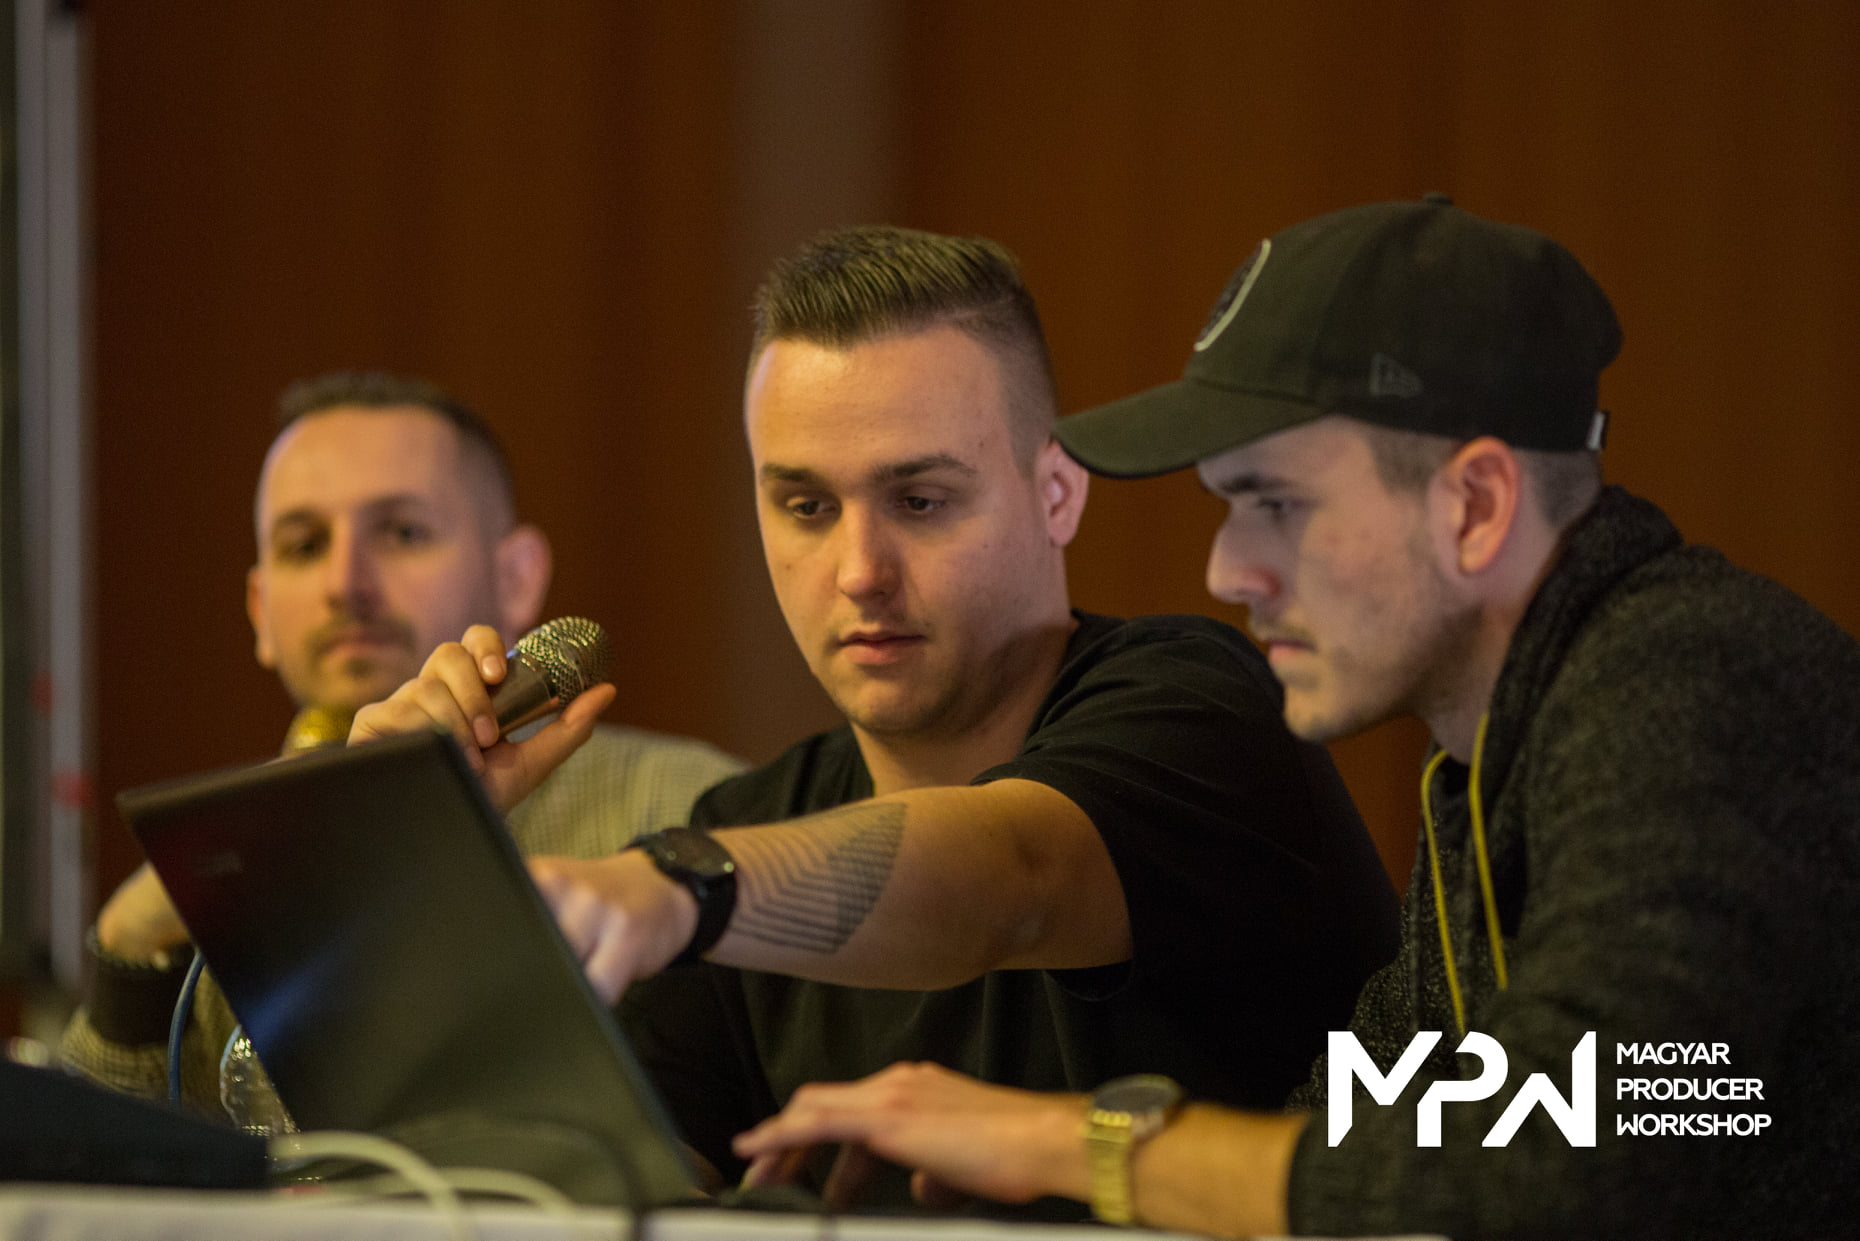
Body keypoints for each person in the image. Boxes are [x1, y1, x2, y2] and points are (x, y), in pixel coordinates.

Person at [726, 199, 1860, 1238]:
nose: (1230, 569)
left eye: (1277, 502)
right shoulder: (1491, 758)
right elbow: (1366, 1129)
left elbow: (1593, 1138)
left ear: (1474, 505)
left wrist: (1065, 1141)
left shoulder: (1694, 687)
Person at [354, 227, 1400, 1206]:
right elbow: (573, 1187)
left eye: (921, 500)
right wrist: (413, 852)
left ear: (1057, 493)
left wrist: (679, 887)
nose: (859, 571)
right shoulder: (750, 820)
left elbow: (1013, 877)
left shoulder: (1197, 704)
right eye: (806, 506)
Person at [61, 371, 744, 1117]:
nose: (345, 583)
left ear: (517, 579)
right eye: (304, 545)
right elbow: (81, 1172)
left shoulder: (692, 807)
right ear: (261, 610)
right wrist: (129, 954)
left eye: (402, 533)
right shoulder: (207, 875)